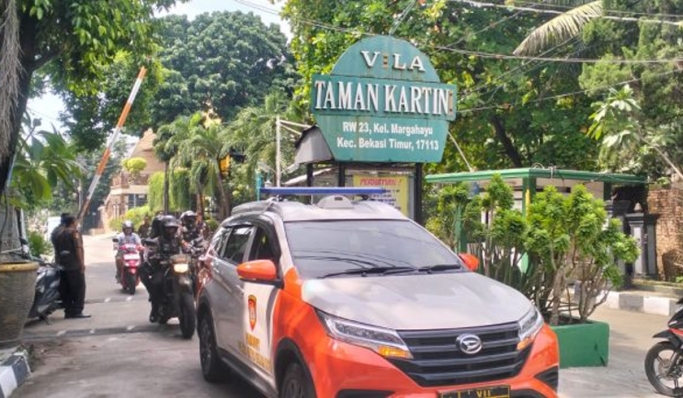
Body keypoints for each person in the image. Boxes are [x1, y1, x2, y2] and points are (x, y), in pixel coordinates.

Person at [140, 215, 182, 322]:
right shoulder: (157, 241)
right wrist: (155, 257)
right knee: (157, 283)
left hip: (178, 267)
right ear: (163, 229)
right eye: (168, 228)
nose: (171, 230)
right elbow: (150, 254)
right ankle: (155, 308)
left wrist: (196, 251)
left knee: (194, 277)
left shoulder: (178, 239)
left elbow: (187, 247)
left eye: (173, 228)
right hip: (163, 268)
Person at [52, 214, 90, 319]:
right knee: (79, 288)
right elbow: (78, 248)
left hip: (61, 265)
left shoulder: (56, 233)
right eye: (76, 221)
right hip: (74, 265)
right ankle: (77, 311)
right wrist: (81, 263)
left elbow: (56, 250)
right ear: (73, 222)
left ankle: (68, 311)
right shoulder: (74, 233)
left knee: (66, 289)